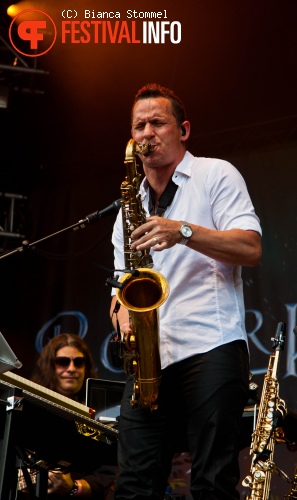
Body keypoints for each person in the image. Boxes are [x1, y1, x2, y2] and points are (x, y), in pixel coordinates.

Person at [110, 83, 262, 500]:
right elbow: (123, 284)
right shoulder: (128, 208)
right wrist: (120, 312)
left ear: (184, 130)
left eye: (158, 122)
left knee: (212, 481)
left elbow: (250, 248)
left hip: (210, 348)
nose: (146, 132)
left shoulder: (215, 174)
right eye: (138, 125)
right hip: (150, 361)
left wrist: (183, 231)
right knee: (133, 485)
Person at [27, 333, 115, 499]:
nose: (71, 369)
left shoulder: (100, 412)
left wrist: (75, 488)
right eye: (63, 362)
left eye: (79, 362)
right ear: (49, 366)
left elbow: (107, 471)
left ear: (86, 367)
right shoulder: (30, 407)